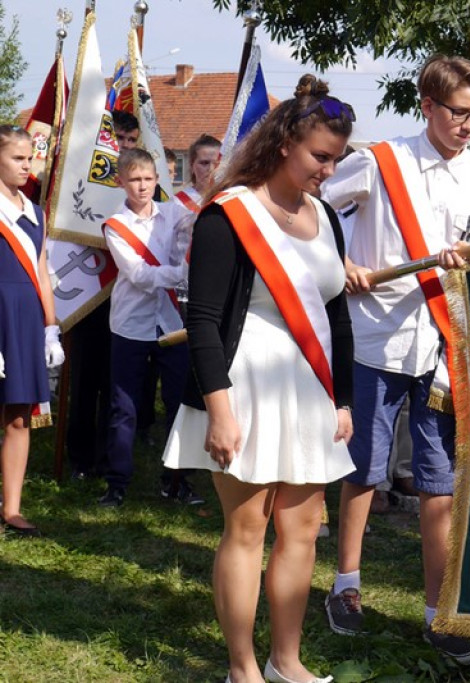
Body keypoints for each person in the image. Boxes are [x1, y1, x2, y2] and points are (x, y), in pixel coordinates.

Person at [162, 74, 355, 683]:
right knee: (246, 530)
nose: (328, 170)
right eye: (320, 157)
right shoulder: (230, 214)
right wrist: (219, 410)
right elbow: (204, 319)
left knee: (303, 531)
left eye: (336, 159)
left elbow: (337, 314)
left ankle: (286, 662)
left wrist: (343, 400)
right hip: (242, 388)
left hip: (311, 393)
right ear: (281, 146)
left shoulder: (326, 217)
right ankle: (242, 669)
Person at [319, 54, 470, 662]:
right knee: (364, 469)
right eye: (459, 112)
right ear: (428, 105)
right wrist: (339, 262)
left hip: (443, 344)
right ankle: (345, 585)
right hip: (376, 336)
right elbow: (312, 204)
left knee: (438, 481)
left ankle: (439, 610)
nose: (468, 125)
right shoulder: (380, 162)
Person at [98, 148, 194, 508]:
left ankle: (176, 480)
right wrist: (183, 273)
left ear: (157, 180)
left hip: (170, 322)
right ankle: (117, 482)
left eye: (149, 179)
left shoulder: (174, 213)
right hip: (131, 325)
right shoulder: (115, 225)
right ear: (121, 181)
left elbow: (198, 227)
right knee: (125, 407)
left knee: (177, 403)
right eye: (135, 180)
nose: (142, 186)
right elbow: (138, 275)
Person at [66, 110, 141, 480]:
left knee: (118, 383)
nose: (125, 147)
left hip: (127, 298)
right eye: (119, 141)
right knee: (84, 380)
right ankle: (79, 457)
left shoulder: (144, 190)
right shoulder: (83, 184)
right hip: (89, 296)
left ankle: (110, 454)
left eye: (131, 141)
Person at [0, 124, 64, 536]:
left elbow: (42, 271)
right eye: (17, 158)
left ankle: (12, 508)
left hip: (24, 320)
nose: (27, 166)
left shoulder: (34, 210)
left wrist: (51, 328)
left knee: (19, 417)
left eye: (30, 158)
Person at [175, 134, 221, 213]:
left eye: (217, 163)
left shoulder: (231, 199)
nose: (211, 169)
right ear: (191, 165)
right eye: (204, 163)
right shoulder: (176, 204)